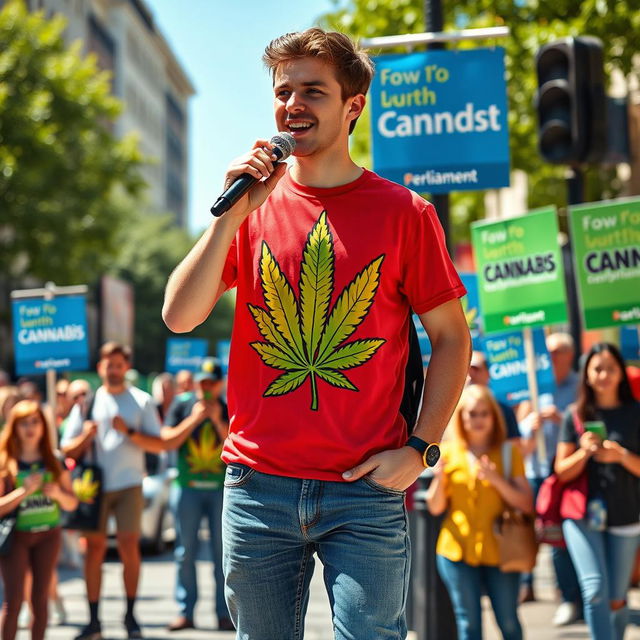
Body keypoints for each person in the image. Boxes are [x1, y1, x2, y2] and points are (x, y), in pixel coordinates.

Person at [162, 28, 471, 639]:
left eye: (313, 91)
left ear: (353, 106)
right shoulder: (251, 209)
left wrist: (422, 448)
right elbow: (179, 314)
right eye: (283, 92)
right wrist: (230, 216)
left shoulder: (406, 213)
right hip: (257, 488)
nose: (292, 105)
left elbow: (453, 339)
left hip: (365, 490)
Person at [61, 342, 165, 640]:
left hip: (129, 483)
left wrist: (129, 432)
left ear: (126, 367)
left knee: (128, 546)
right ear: (100, 368)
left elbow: (158, 445)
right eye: (109, 364)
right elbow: (66, 447)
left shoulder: (141, 400)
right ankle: (94, 621)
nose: (114, 369)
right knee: (93, 550)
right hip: (94, 487)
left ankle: (130, 616)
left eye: (119, 364)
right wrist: (85, 434)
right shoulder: (88, 403)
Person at [426, 384, 533, 640]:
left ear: (494, 416)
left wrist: (495, 479)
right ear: (461, 417)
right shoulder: (449, 453)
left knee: (508, 622)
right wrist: (440, 479)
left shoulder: (509, 453)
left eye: (484, 413)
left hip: (502, 550)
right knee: (468, 624)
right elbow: (435, 506)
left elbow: (526, 504)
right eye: (472, 413)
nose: (478, 419)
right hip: (456, 549)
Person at [555, 342, 640, 640]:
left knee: (616, 598)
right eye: (597, 368)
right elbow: (561, 471)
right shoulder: (574, 415)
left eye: (610, 368)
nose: (604, 374)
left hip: (626, 515)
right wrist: (583, 452)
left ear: (621, 373)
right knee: (594, 591)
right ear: (587, 375)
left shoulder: (635, 413)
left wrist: (622, 456)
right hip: (581, 515)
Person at [162, 358, 232, 632]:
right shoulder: (182, 404)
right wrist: (194, 419)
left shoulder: (228, 407)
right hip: (187, 489)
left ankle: (223, 613)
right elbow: (167, 439)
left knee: (222, 555)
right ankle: (185, 611)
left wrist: (216, 420)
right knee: (184, 553)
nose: (207, 388)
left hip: (219, 491)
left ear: (220, 384)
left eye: (212, 383)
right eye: (203, 383)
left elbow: (236, 444)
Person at [0, 400, 78, 640]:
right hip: (17, 538)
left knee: (40, 599)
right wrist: (22, 492)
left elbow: (72, 502)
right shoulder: (6, 462)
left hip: (48, 535)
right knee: (13, 601)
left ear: (44, 426)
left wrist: (57, 494)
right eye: (24, 423)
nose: (30, 428)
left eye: (35, 422)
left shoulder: (54, 460)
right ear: (14, 427)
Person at [516, 332, 582, 616]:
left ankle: (567, 594)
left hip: (564, 470)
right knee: (527, 530)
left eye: (557, 351)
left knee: (557, 534)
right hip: (535, 469)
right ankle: (526, 583)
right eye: (549, 351)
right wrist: (530, 425)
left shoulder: (580, 386)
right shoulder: (534, 385)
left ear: (569, 354)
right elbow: (519, 436)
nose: (551, 357)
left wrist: (562, 418)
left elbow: (586, 423)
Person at [467, 351, 521, 441]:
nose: (470, 374)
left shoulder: (504, 410)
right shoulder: (449, 410)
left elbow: (515, 445)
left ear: (488, 374)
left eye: (476, 369)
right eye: (466, 370)